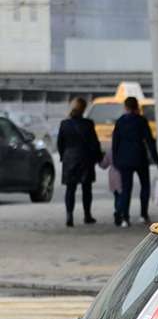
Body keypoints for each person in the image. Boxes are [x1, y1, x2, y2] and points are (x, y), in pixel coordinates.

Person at [111, 96, 158, 227]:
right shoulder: (141, 121)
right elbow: (150, 141)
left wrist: (115, 160)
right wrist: (156, 159)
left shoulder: (120, 122)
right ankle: (143, 214)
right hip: (140, 157)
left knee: (126, 189)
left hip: (124, 159)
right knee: (145, 186)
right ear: (136, 106)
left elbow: (115, 142)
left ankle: (125, 218)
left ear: (125, 107)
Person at [55, 97, 103, 227]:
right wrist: (99, 157)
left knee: (70, 189)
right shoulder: (88, 124)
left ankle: (69, 216)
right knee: (86, 189)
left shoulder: (64, 124)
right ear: (83, 109)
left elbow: (60, 143)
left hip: (69, 159)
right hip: (85, 159)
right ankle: (87, 215)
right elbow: (94, 143)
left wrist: (62, 156)